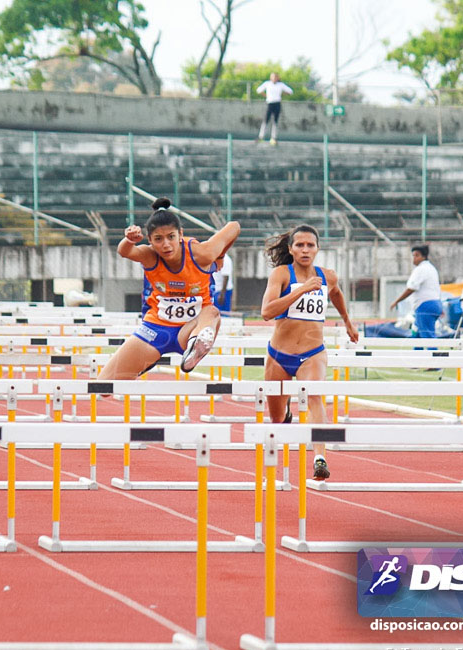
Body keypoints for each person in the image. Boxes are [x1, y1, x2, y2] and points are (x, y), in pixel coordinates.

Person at [99, 198, 240, 379]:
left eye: (171, 237)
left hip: (190, 329)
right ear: (150, 240)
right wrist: (128, 240)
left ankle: (196, 346)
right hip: (156, 329)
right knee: (104, 384)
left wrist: (219, 255)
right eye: (158, 239)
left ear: (180, 234)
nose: (166, 244)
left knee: (211, 312)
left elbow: (234, 227)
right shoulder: (149, 256)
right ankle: (149, 359)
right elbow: (124, 252)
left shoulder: (201, 254)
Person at [260, 225, 360, 480]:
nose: (305, 250)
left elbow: (335, 293)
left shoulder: (328, 277)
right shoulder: (281, 274)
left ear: (317, 248)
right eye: (300, 245)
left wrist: (347, 321)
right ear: (291, 249)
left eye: (310, 245)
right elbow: (266, 312)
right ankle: (284, 423)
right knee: (277, 420)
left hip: (312, 352)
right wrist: (301, 290)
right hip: (279, 355)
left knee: (315, 396)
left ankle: (319, 457)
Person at [389, 245, 442, 338]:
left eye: (416, 255)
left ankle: (434, 352)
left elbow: (411, 288)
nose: (414, 258)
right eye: (413, 255)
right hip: (434, 304)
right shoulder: (431, 268)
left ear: (423, 257)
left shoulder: (421, 269)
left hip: (425, 306)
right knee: (416, 335)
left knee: (428, 336)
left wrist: (396, 301)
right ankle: (416, 352)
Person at [256, 73, 293, 145]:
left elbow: (290, 91)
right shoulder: (267, 84)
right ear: (270, 78)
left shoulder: (280, 85)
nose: (274, 78)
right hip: (270, 103)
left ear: (277, 78)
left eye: (275, 77)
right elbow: (258, 90)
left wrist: (282, 95)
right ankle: (261, 137)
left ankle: (273, 138)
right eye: (272, 77)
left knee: (275, 121)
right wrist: (266, 95)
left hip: (277, 104)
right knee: (266, 120)